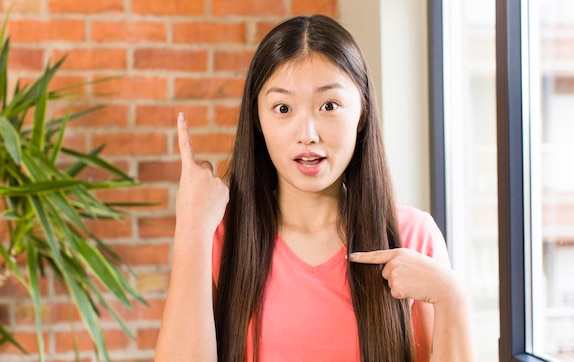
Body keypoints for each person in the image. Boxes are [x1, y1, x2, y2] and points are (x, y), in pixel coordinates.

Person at [155, 14, 474, 362]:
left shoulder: (412, 236)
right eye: (282, 108)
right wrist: (190, 225)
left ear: (362, 112)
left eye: (329, 106)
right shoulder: (221, 238)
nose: (307, 133)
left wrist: (452, 297)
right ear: (258, 120)